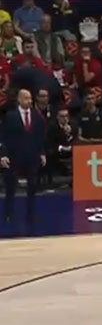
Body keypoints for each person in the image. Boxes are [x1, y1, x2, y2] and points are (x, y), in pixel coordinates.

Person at [1, 89, 46, 225]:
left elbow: (40, 137)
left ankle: (31, 214)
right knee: (11, 187)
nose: (29, 101)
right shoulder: (10, 116)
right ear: (19, 100)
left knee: (32, 187)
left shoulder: (37, 116)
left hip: (32, 157)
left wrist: (42, 153)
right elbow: (4, 137)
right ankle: (8, 214)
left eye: (30, 98)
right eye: (26, 98)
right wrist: (3, 155)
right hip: (14, 157)